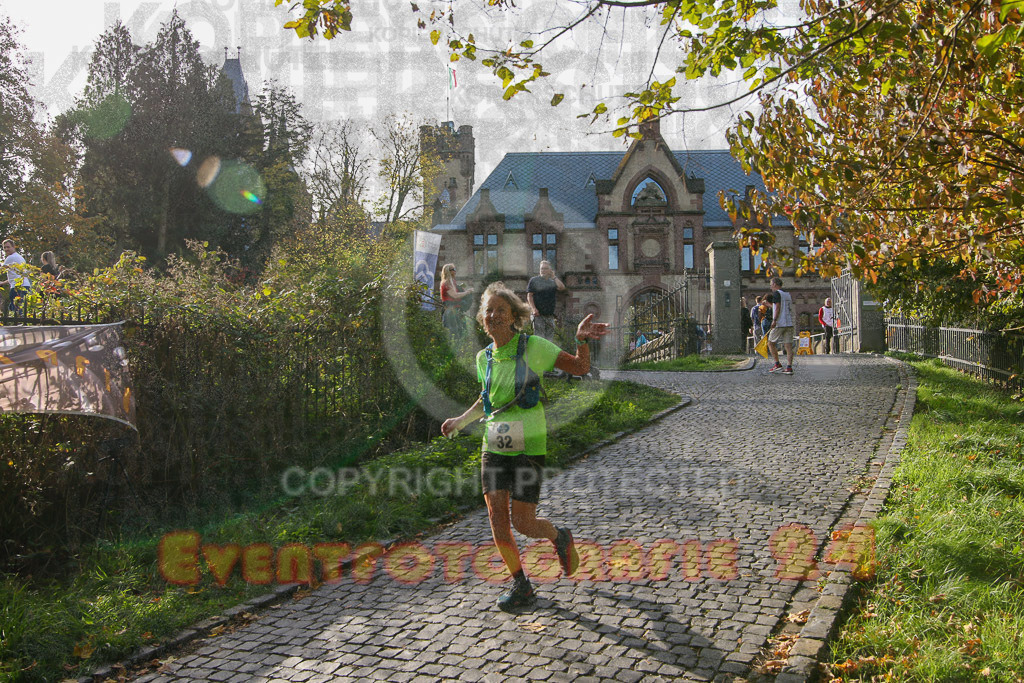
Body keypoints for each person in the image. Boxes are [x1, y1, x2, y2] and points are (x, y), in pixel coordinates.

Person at [440, 282, 609, 611]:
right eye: (488, 311)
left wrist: (581, 341)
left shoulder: (533, 346)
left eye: (500, 310)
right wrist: (459, 421)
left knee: (524, 523)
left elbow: (580, 367)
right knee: (496, 519)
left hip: (528, 445)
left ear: (515, 316)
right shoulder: (483, 357)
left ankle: (559, 537)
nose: (493, 316)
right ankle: (521, 584)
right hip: (494, 444)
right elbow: (487, 401)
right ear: (482, 319)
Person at [526, 260, 565, 341]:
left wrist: (554, 277)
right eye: (541, 269)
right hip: (538, 315)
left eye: (545, 269)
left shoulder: (552, 282)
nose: (543, 270)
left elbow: (562, 288)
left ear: (550, 270)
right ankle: (540, 354)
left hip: (550, 316)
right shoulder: (534, 280)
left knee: (549, 340)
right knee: (540, 339)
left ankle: (546, 354)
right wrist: (533, 309)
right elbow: (529, 296)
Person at [767, 277, 795, 375]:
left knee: (770, 343)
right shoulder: (787, 294)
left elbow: (778, 307)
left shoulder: (776, 294)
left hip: (780, 323)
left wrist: (774, 320)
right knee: (788, 346)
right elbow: (784, 307)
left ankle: (777, 364)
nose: (770, 286)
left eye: (771, 284)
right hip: (789, 322)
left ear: (775, 284)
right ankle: (789, 367)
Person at [438, 263, 474, 339]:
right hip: (451, 311)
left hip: (457, 310)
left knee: (462, 332)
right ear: (448, 271)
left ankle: (462, 349)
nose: (455, 271)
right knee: (454, 334)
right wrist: (467, 292)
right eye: (453, 269)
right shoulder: (446, 283)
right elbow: (455, 295)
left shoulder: (452, 282)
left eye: (455, 269)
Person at [2, 239, 31, 317]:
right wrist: (2, 283)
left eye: (8, 247)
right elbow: (15, 276)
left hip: (17, 288)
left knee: (16, 311)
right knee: (19, 309)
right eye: (4, 248)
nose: (6, 249)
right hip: (25, 285)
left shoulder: (10, 258)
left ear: (13, 247)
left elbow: (1, 270)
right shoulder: (20, 257)